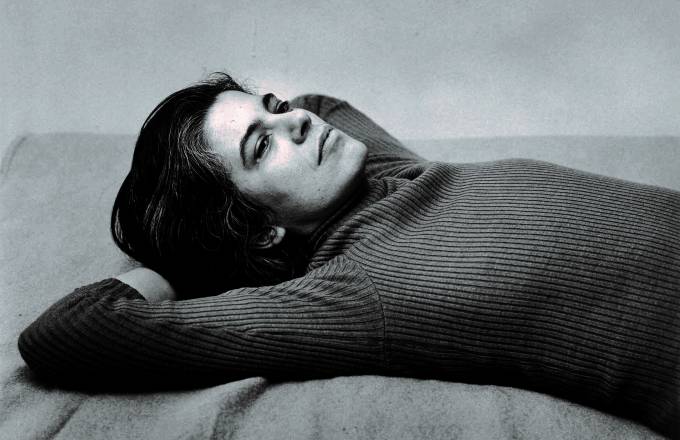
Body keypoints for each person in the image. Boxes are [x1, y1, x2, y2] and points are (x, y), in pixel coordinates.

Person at [18, 73, 679, 438]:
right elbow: (70, 331)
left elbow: (319, 102)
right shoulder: (349, 293)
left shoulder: (392, 173)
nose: (297, 121)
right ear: (259, 231)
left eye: (273, 108)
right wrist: (175, 267)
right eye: (261, 146)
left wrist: (258, 125)